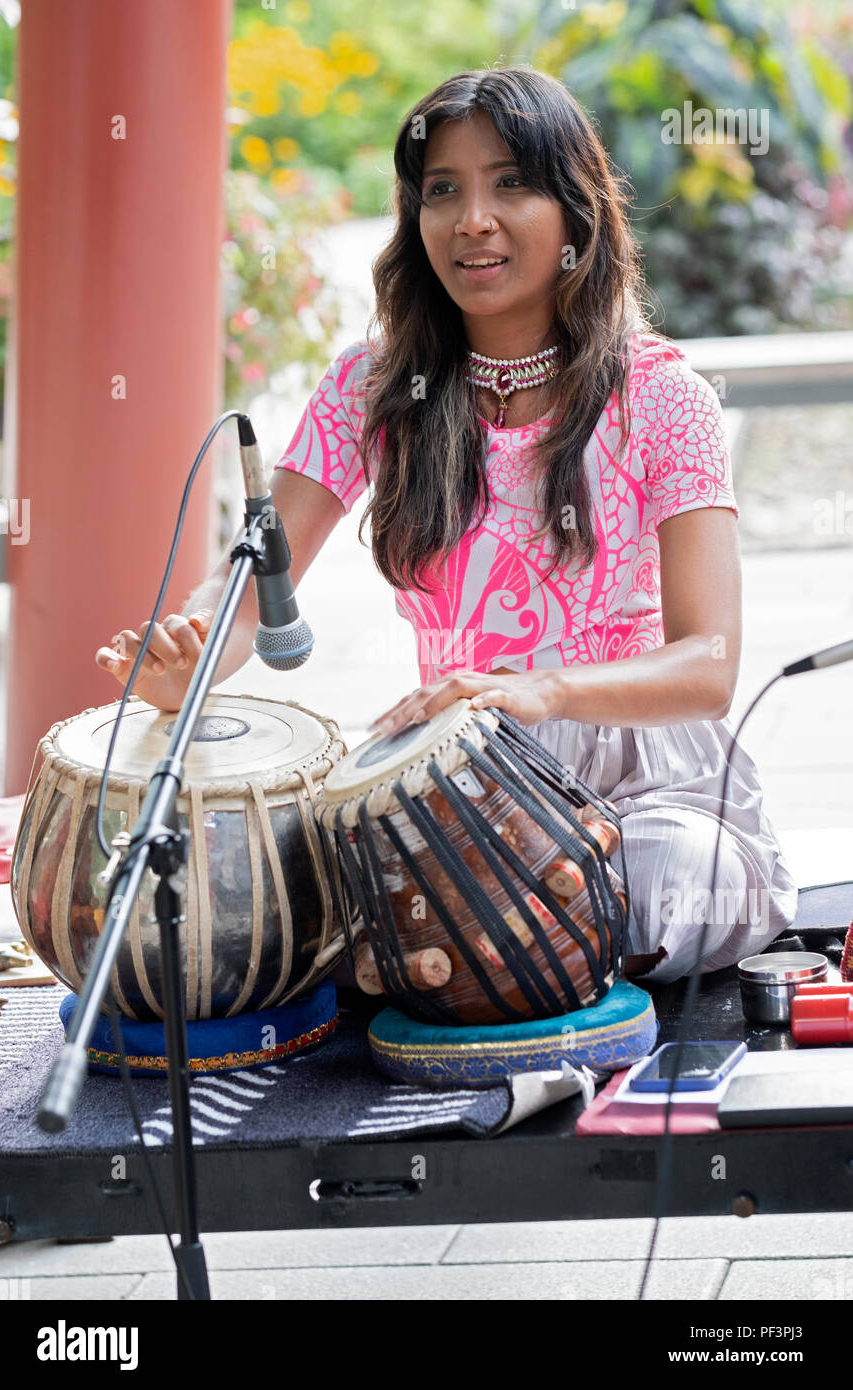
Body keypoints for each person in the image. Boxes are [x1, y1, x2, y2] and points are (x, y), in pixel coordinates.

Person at [95, 65, 797, 983]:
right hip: (456, 781)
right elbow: (252, 588)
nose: (472, 218)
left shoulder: (661, 398)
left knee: (665, 881)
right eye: (442, 190)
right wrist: (184, 665)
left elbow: (709, 666)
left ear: (577, 210)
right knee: (280, 888)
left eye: (510, 182)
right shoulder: (373, 389)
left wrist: (542, 688)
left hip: (648, 787)